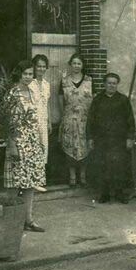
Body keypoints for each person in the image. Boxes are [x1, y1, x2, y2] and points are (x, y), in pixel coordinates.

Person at [3, 60, 46, 232]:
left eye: (30, 74)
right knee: (14, 183)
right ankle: (11, 221)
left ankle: (28, 220)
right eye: (25, 74)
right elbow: (9, 122)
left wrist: (39, 141)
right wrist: (12, 144)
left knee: (30, 183)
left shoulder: (32, 91)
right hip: (18, 141)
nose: (28, 77)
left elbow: (36, 119)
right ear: (19, 74)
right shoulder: (12, 93)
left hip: (32, 141)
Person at [87, 73, 135, 204]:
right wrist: (90, 138)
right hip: (102, 140)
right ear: (104, 84)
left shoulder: (123, 100)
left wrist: (130, 138)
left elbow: (130, 120)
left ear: (117, 85)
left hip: (119, 140)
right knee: (103, 166)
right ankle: (104, 193)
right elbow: (91, 120)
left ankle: (120, 193)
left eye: (114, 83)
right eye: (109, 83)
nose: (111, 85)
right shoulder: (97, 100)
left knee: (119, 167)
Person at [58, 53, 93, 188]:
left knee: (84, 148)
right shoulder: (65, 81)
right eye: (74, 63)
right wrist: (65, 116)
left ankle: (82, 176)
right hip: (69, 120)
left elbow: (93, 99)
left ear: (82, 65)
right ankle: (72, 177)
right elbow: (60, 100)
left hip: (85, 121)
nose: (76, 66)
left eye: (79, 63)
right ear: (70, 64)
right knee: (70, 147)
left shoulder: (89, 80)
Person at [29, 54, 52, 192]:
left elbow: (47, 103)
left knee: (43, 149)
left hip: (43, 121)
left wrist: (49, 122)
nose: (41, 69)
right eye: (39, 66)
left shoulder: (46, 84)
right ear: (34, 67)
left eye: (44, 66)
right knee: (32, 150)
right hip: (31, 121)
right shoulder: (29, 83)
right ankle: (30, 180)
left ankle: (39, 180)